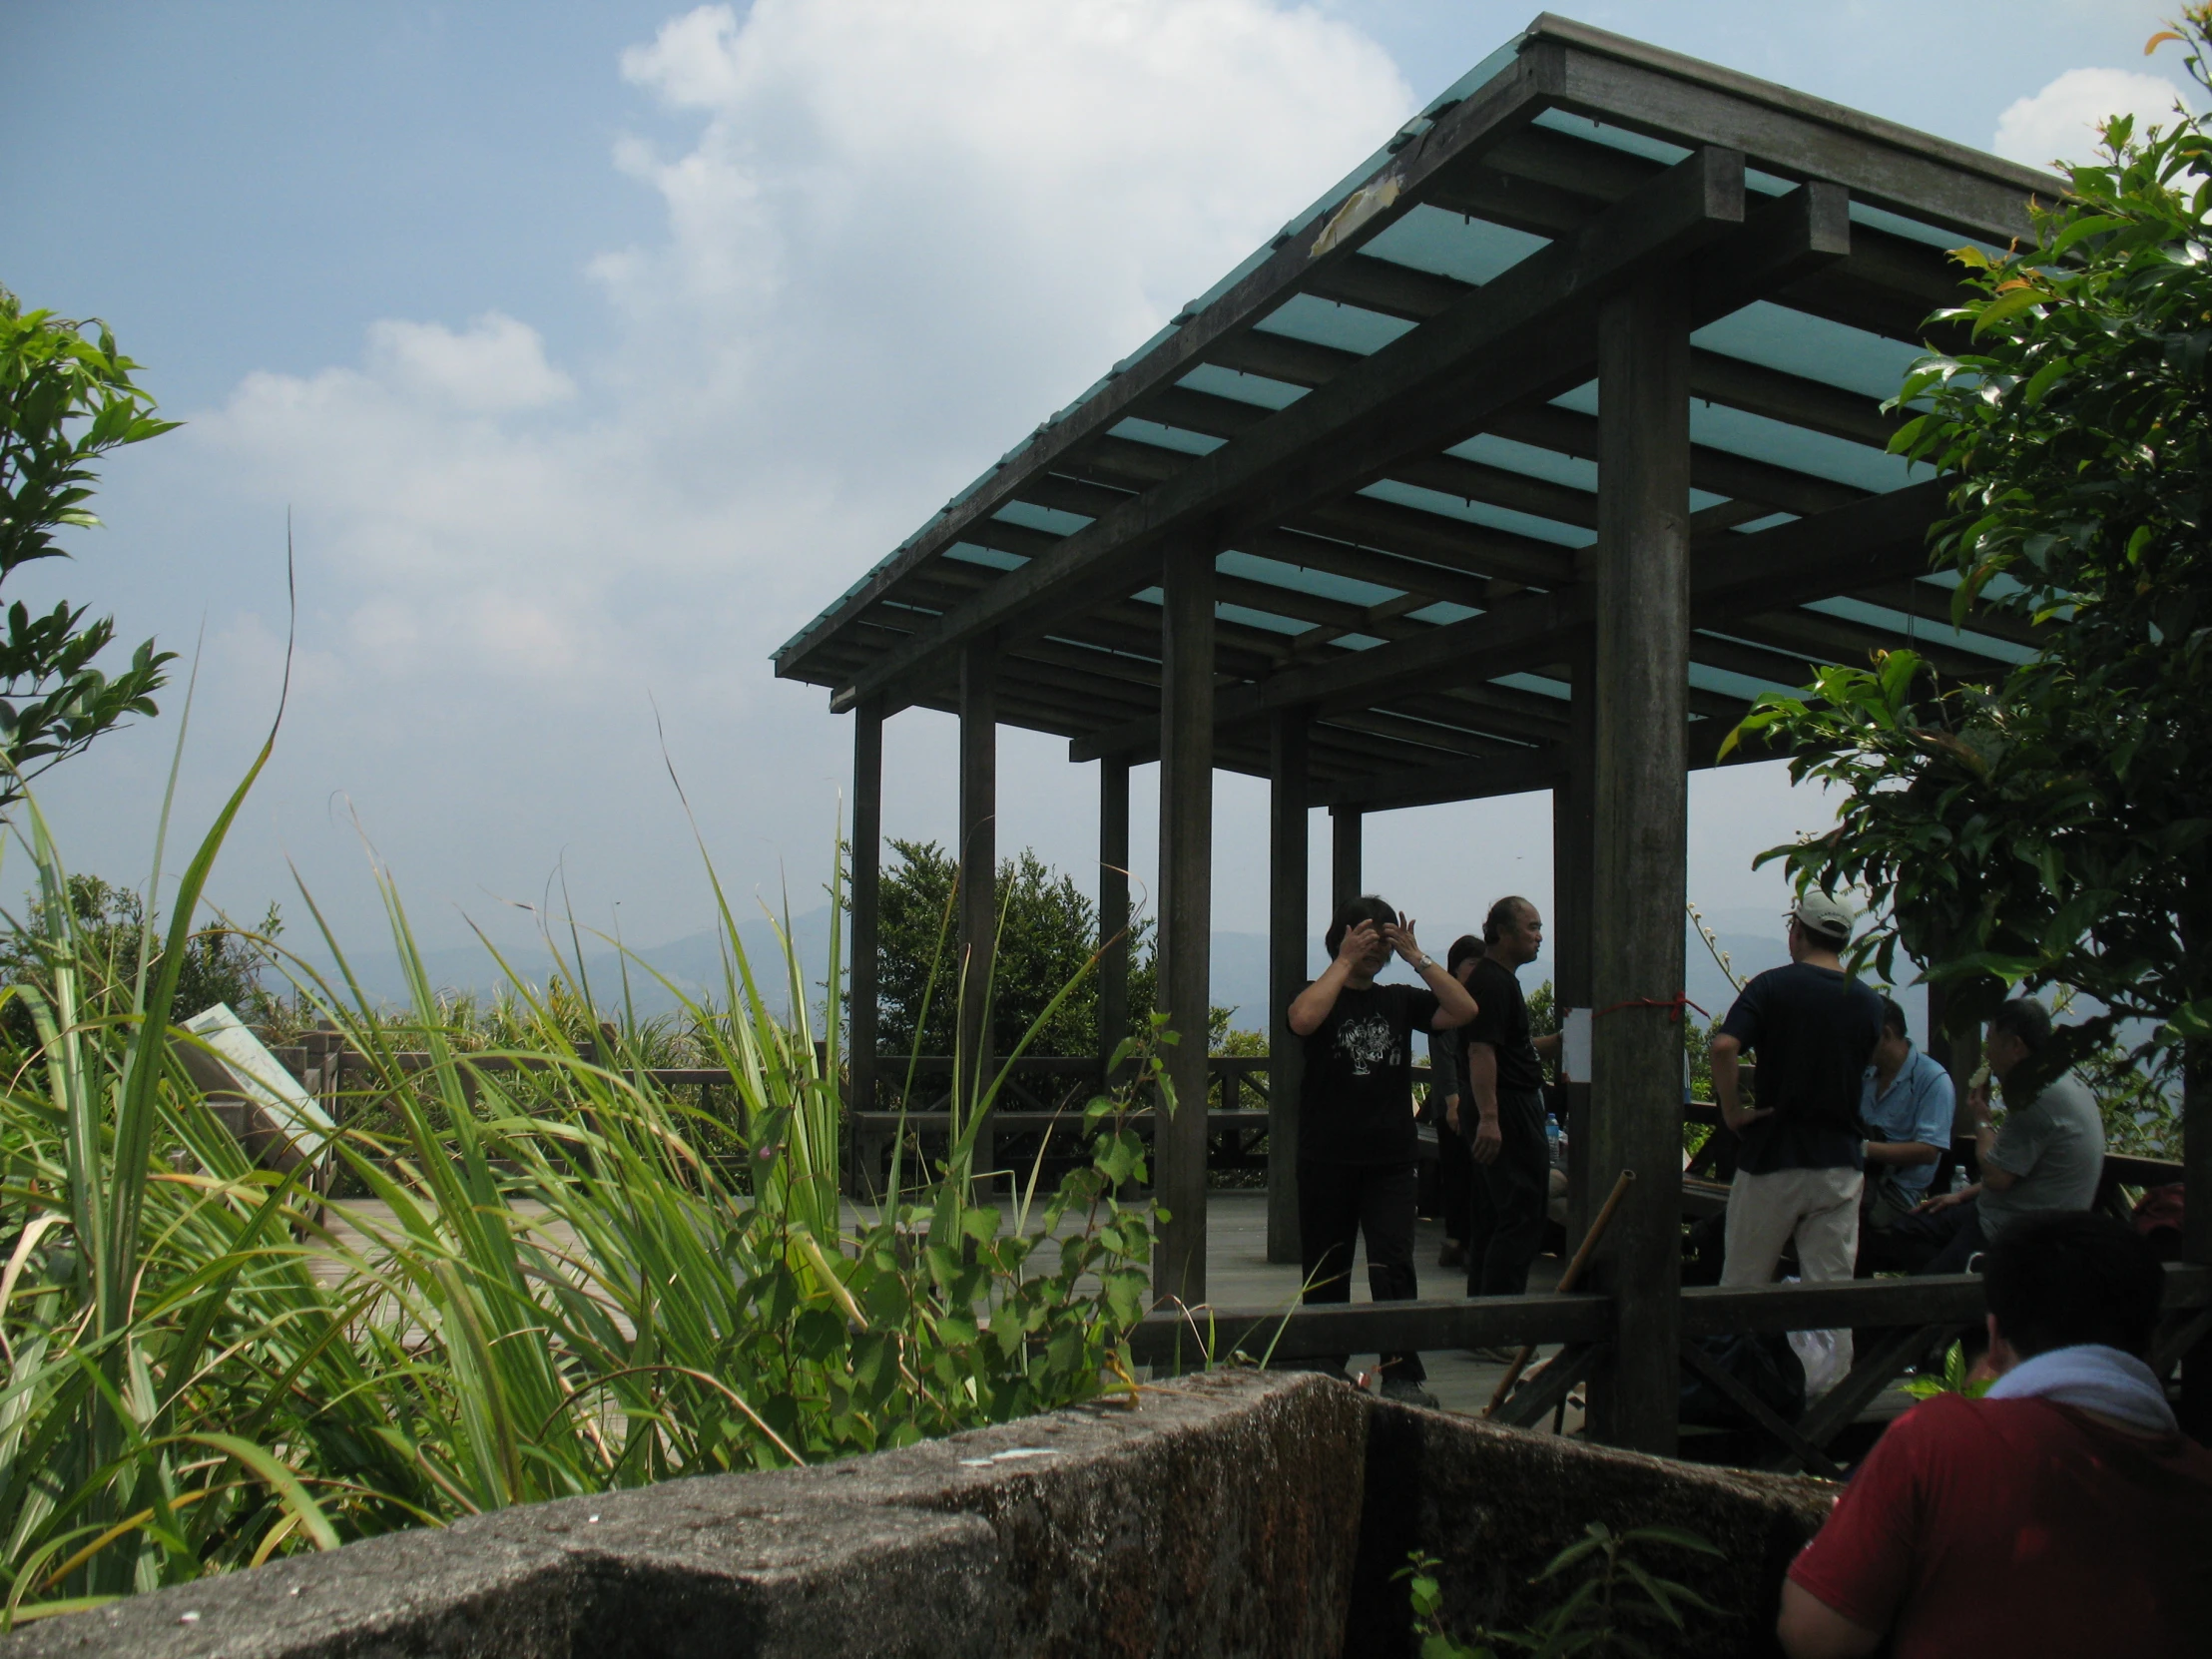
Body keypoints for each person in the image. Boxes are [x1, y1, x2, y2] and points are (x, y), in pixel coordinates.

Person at [1778, 1211, 2212, 1657]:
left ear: (1996, 1337)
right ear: (2153, 1342)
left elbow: (1817, 1638)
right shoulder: (2201, 1477)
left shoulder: (1940, 1441)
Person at [1288, 893, 1477, 1405]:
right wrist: (1344, 960)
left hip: (1391, 1160)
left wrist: (1417, 957)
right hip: (1326, 1156)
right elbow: (1302, 1020)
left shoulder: (1399, 999)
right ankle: (1324, 1367)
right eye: (1366, 935)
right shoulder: (1319, 993)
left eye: (1382, 940)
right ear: (1342, 935)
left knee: (1394, 1265)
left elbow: (1464, 1009)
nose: (1375, 948)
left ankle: (1401, 1371)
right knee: (1326, 1267)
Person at [1710, 891, 1884, 1372]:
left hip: (1773, 1157)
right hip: (1840, 1163)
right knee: (1829, 1292)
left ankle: (1728, 1385)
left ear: (1797, 932)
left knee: (1742, 1284)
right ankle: (1829, 1395)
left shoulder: (1771, 987)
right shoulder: (1870, 1003)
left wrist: (1732, 1111)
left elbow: (1725, 1047)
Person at [1892, 997, 2104, 1276]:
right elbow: (2019, 1168)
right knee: (1907, 1231)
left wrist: (1981, 1121)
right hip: (1996, 1210)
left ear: (2015, 1046)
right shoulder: (2057, 1080)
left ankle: (1959, 1293)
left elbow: (1997, 1177)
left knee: (1927, 1292)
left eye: (1990, 1041)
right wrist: (1962, 1195)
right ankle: (1961, 1286)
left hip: (2016, 1230)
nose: (1987, 1053)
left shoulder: (2035, 1098)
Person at [1438, 898, 1561, 1300]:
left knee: (1494, 1213)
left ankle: (1484, 1314)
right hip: (1505, 1107)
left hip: (1504, 1103)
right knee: (1522, 1213)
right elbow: (1481, 1051)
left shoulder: (1499, 980)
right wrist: (1490, 1117)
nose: (1539, 937)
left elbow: (1509, 1047)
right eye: (1532, 928)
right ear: (1503, 933)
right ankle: (1501, 1314)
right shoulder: (1492, 983)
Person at [1854, 999, 1955, 1272]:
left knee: (1833, 1223)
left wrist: (1863, 1149)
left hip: (1895, 1193)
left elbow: (1928, 1150)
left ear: (1885, 1034)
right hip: (1858, 1179)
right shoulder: (1866, 1074)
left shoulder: (1932, 1080)